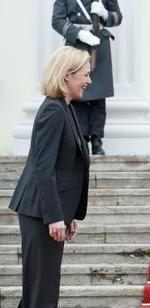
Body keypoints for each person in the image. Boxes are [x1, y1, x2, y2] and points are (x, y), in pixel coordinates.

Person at [8, 46, 91, 308]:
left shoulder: (65, 109)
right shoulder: (53, 111)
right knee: (41, 292)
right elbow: (44, 168)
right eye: (85, 75)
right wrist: (54, 215)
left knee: (40, 290)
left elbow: (65, 169)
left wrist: (67, 214)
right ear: (67, 76)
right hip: (39, 213)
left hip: (49, 212)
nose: (89, 81)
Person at [52, 0, 123, 155]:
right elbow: (57, 20)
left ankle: (97, 141)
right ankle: (81, 139)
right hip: (77, 44)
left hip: (99, 43)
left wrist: (105, 13)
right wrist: (78, 33)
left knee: (99, 95)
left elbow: (118, 18)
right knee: (77, 94)